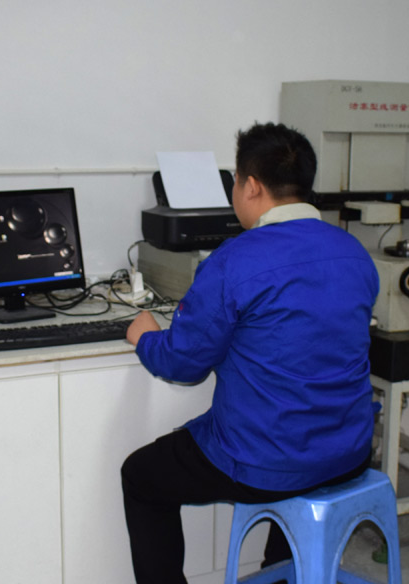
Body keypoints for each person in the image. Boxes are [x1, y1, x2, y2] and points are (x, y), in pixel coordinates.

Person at [121, 122, 380, 584]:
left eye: (236, 182)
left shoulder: (235, 259)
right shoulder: (354, 252)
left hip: (266, 459)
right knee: (296, 456)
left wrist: (145, 336)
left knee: (141, 476)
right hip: (349, 450)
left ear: (252, 186)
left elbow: (183, 363)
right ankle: (281, 574)